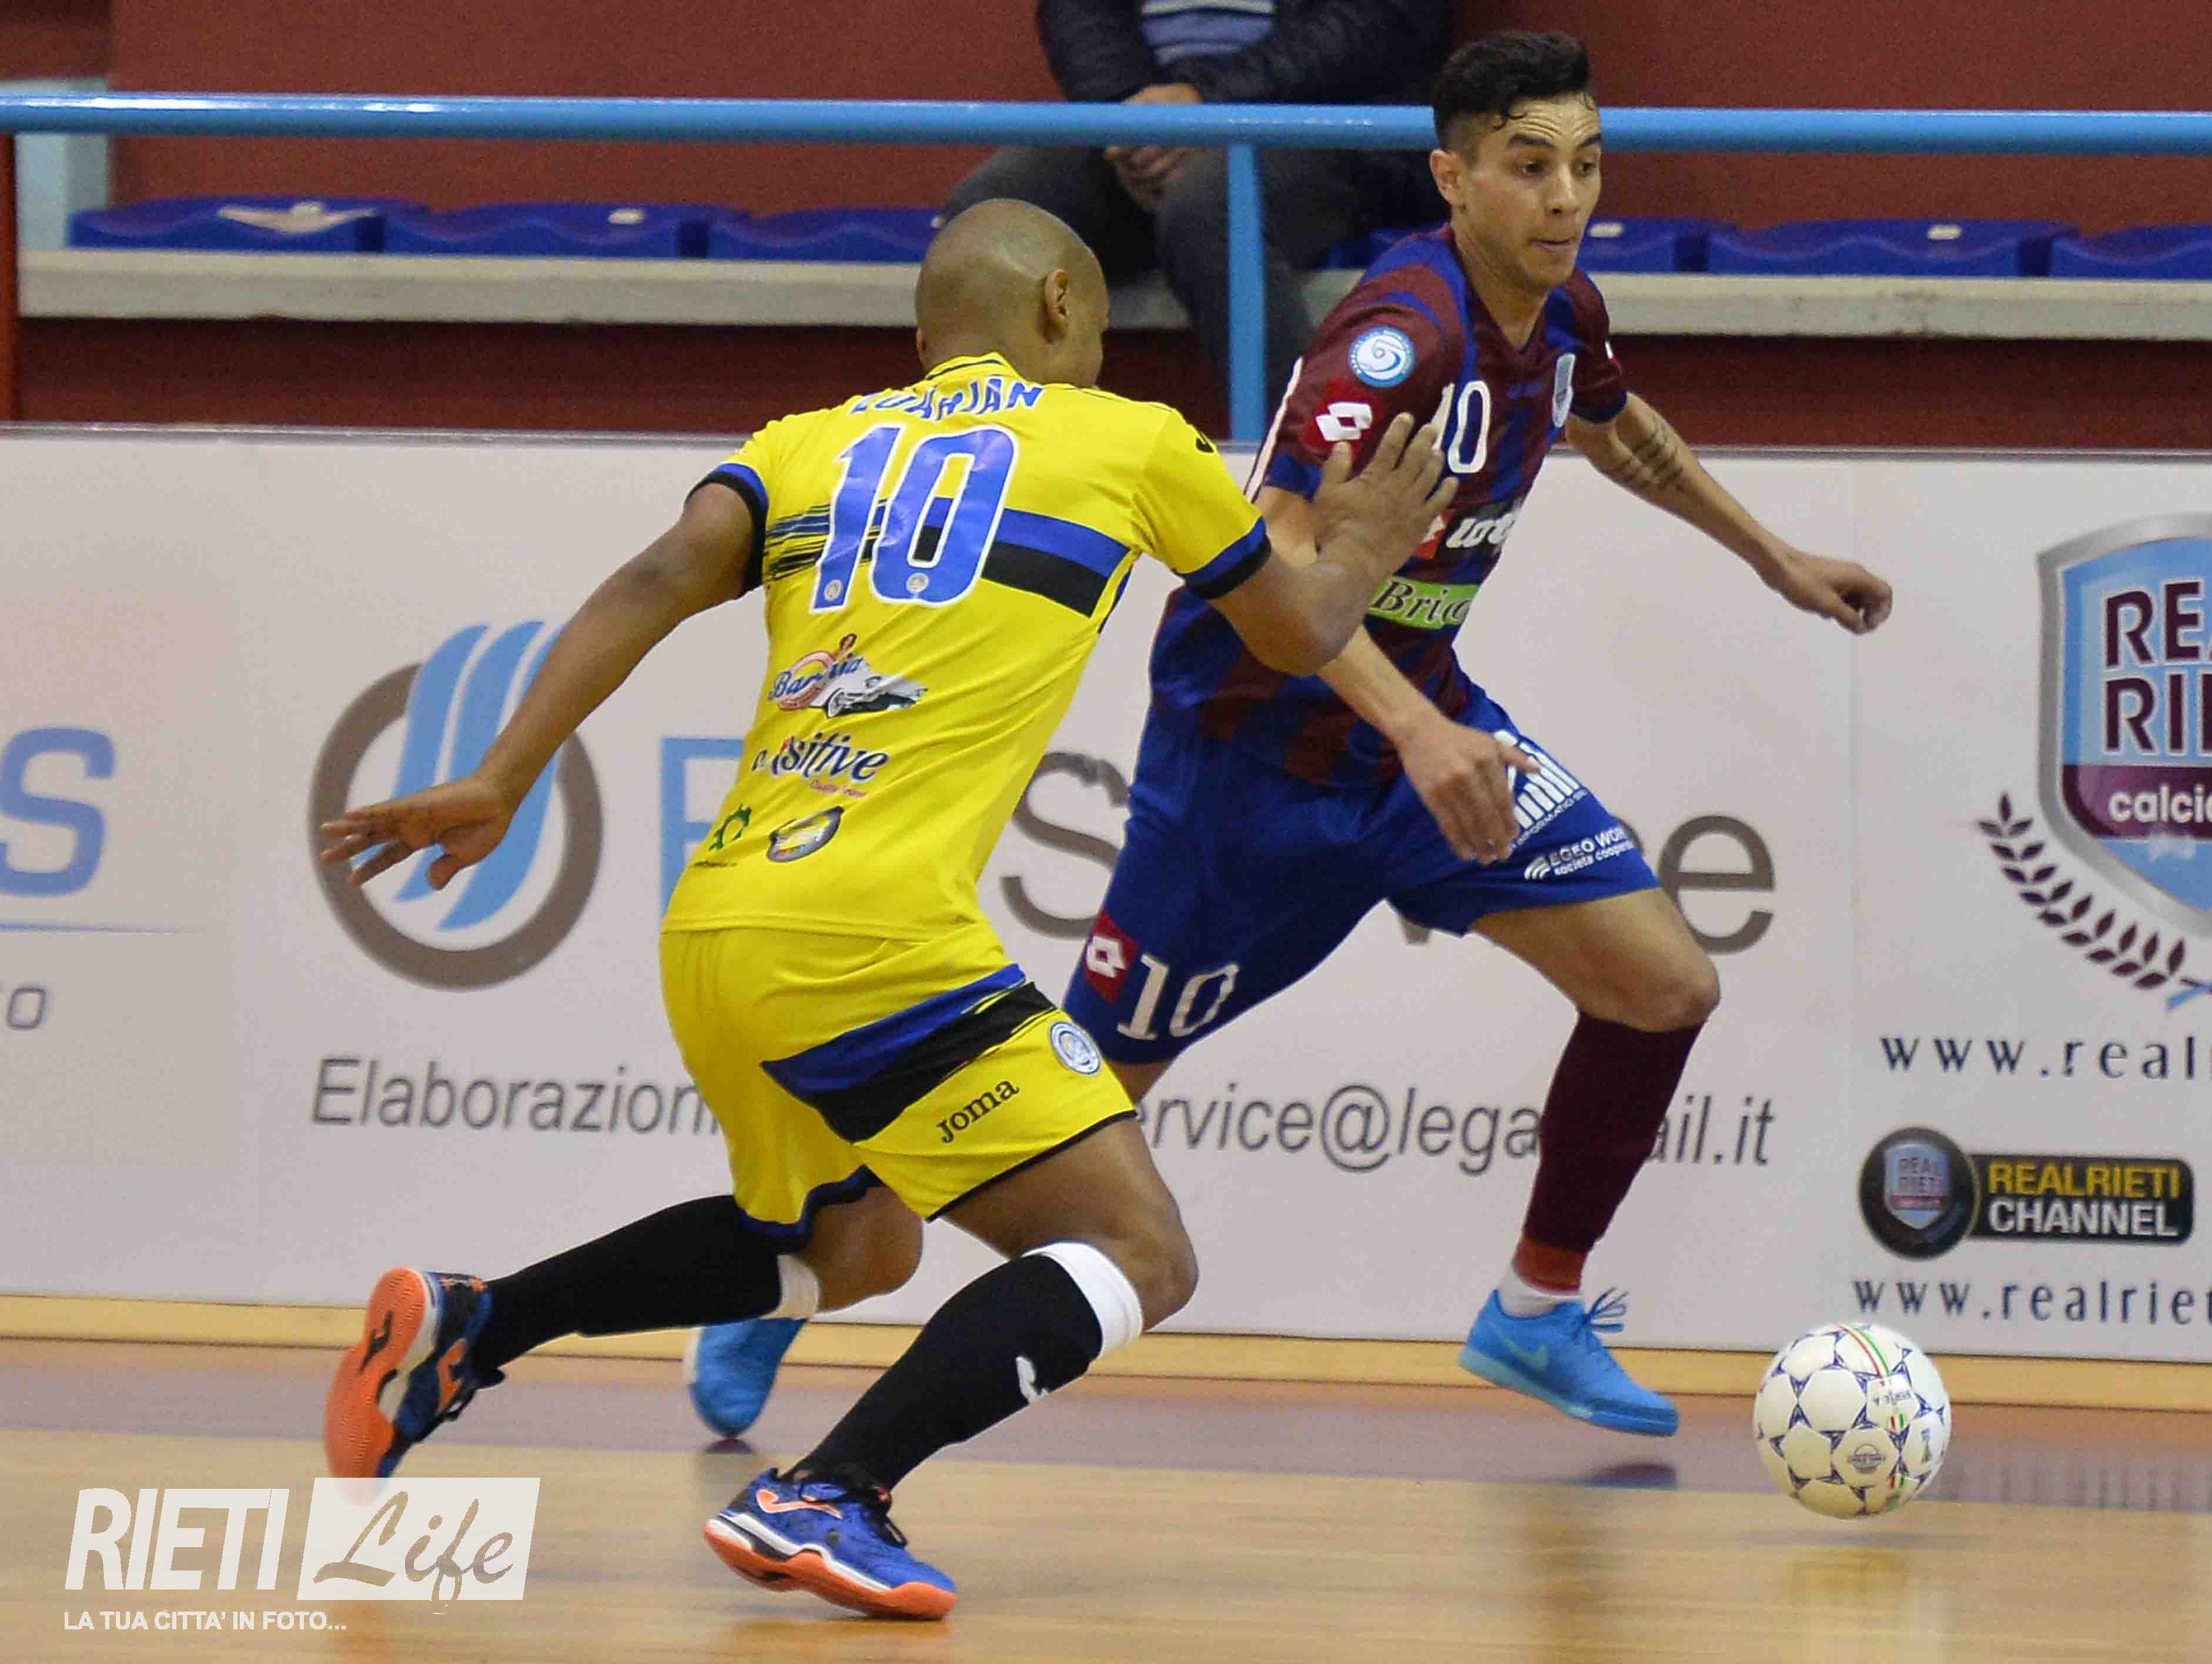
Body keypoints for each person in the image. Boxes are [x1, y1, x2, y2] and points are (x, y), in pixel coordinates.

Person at [687, 30, 1895, 1445]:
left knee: (1663, 985)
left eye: (1584, 164)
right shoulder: (1400, 336)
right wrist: (1416, 730)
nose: (1565, 197)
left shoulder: (1563, 309)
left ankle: (1536, 1307)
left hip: (1422, 728)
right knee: (1063, 1109)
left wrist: (1771, 556)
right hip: (1250, 766)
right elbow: (1275, 556)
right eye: (1528, 167)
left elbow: (1611, 421)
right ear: (1452, 177)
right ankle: (792, 1266)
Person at [315, 197, 1454, 1622]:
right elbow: (1298, 633)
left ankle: (474, 1328)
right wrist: (1364, 545)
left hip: (723, 924)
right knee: (1138, 1250)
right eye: (1100, 320)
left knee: (851, 1246)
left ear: (926, 341)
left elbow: (656, 577)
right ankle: (830, 1490)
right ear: (1059, 306)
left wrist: (501, 775)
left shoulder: (804, 442)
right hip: (873, 937)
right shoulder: (1131, 443)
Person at [948, 0, 1452, 410]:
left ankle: (1303, 474)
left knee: (1213, 207)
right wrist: (1135, 126)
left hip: (1329, 124)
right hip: (1143, 121)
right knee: (992, 217)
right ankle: (995, 465)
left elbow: (1379, 21)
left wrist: (1206, 104)